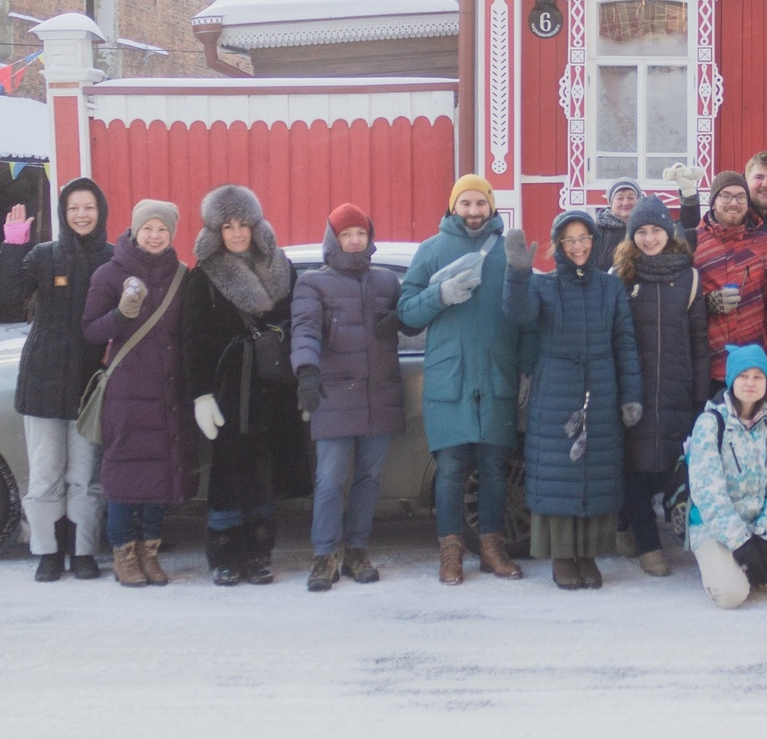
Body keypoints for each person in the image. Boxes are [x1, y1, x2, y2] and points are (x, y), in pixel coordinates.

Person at [399, 175, 528, 584]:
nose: (473, 211)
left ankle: (491, 547)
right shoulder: (432, 251)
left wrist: (526, 368)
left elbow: (528, 318)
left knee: (492, 467)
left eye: (480, 204)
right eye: (466, 203)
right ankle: (450, 550)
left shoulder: (509, 253)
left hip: (495, 377)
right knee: (451, 468)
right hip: (449, 379)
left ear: (491, 207)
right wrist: (440, 295)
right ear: (453, 206)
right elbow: (406, 313)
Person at [503, 212, 642, 589]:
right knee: (559, 471)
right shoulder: (543, 286)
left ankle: (588, 555)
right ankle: (562, 557)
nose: (578, 246)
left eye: (584, 238)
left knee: (596, 472)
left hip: (601, 387)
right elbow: (517, 314)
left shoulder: (611, 288)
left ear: (594, 241)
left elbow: (624, 343)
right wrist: (517, 273)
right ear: (558, 246)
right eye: (570, 240)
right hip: (556, 389)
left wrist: (630, 396)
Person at [183, 184, 310, 587]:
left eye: (244, 224)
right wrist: (201, 394)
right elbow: (194, 339)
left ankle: (258, 554)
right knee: (228, 473)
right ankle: (223, 555)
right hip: (229, 391)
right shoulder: (202, 277)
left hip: (274, 386)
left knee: (264, 474)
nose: (237, 233)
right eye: (228, 225)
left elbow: (296, 326)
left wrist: (303, 380)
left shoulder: (280, 266)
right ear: (216, 230)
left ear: (256, 226)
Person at [0, 180, 112, 581]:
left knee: (84, 473)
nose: (82, 214)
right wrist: (12, 247)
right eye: (74, 207)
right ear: (63, 213)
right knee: (45, 471)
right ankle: (47, 551)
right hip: (43, 376)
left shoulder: (112, 259)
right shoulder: (44, 256)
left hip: (89, 380)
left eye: (89, 207)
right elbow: (9, 294)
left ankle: (82, 551)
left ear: (101, 212)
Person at [291, 202, 404, 592]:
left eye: (360, 233)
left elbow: (411, 312)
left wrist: (403, 319)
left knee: (369, 479)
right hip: (335, 393)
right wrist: (306, 370)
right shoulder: (313, 283)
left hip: (379, 392)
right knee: (330, 480)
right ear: (333, 239)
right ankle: (324, 555)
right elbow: (304, 330)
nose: (354, 241)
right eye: (346, 234)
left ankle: (357, 550)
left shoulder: (387, 282)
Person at [82, 200, 195, 589]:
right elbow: (91, 331)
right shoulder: (109, 274)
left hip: (167, 391)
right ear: (133, 230)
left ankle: (150, 551)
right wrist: (120, 315)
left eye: (162, 229)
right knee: (124, 474)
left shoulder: (182, 276)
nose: (154, 235)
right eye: (147, 228)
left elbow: (188, 334)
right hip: (126, 392)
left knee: (160, 474)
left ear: (171, 233)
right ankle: (124, 554)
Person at [612, 194, 707, 577]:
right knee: (634, 467)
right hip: (634, 388)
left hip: (675, 387)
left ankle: (638, 526)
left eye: (656, 230)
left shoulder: (689, 276)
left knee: (668, 466)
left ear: (669, 232)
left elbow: (699, 340)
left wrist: (700, 396)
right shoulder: (620, 277)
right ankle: (647, 543)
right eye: (642, 232)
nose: (649, 239)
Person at [683, 343, 767, 607]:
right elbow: (709, 495)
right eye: (743, 376)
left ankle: (754, 560)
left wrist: (765, 539)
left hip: (759, 519)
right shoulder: (711, 423)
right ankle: (726, 565)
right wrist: (742, 544)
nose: (750, 383)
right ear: (731, 380)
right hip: (714, 527)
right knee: (731, 596)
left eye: (758, 377)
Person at [691, 169, 767, 383]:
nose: (734, 203)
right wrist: (706, 303)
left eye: (741, 196)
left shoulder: (766, 246)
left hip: (753, 366)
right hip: (708, 363)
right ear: (713, 202)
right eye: (726, 196)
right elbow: (677, 300)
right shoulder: (693, 244)